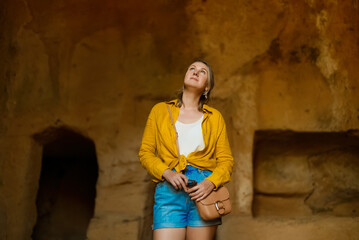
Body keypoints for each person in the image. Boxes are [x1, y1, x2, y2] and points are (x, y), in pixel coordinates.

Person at [139, 60, 234, 240]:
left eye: (203, 71)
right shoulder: (159, 111)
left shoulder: (214, 118)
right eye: (192, 68)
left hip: (204, 192)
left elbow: (226, 160)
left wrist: (210, 183)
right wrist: (167, 172)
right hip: (169, 192)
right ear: (185, 77)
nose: (196, 72)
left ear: (207, 87)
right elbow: (145, 153)